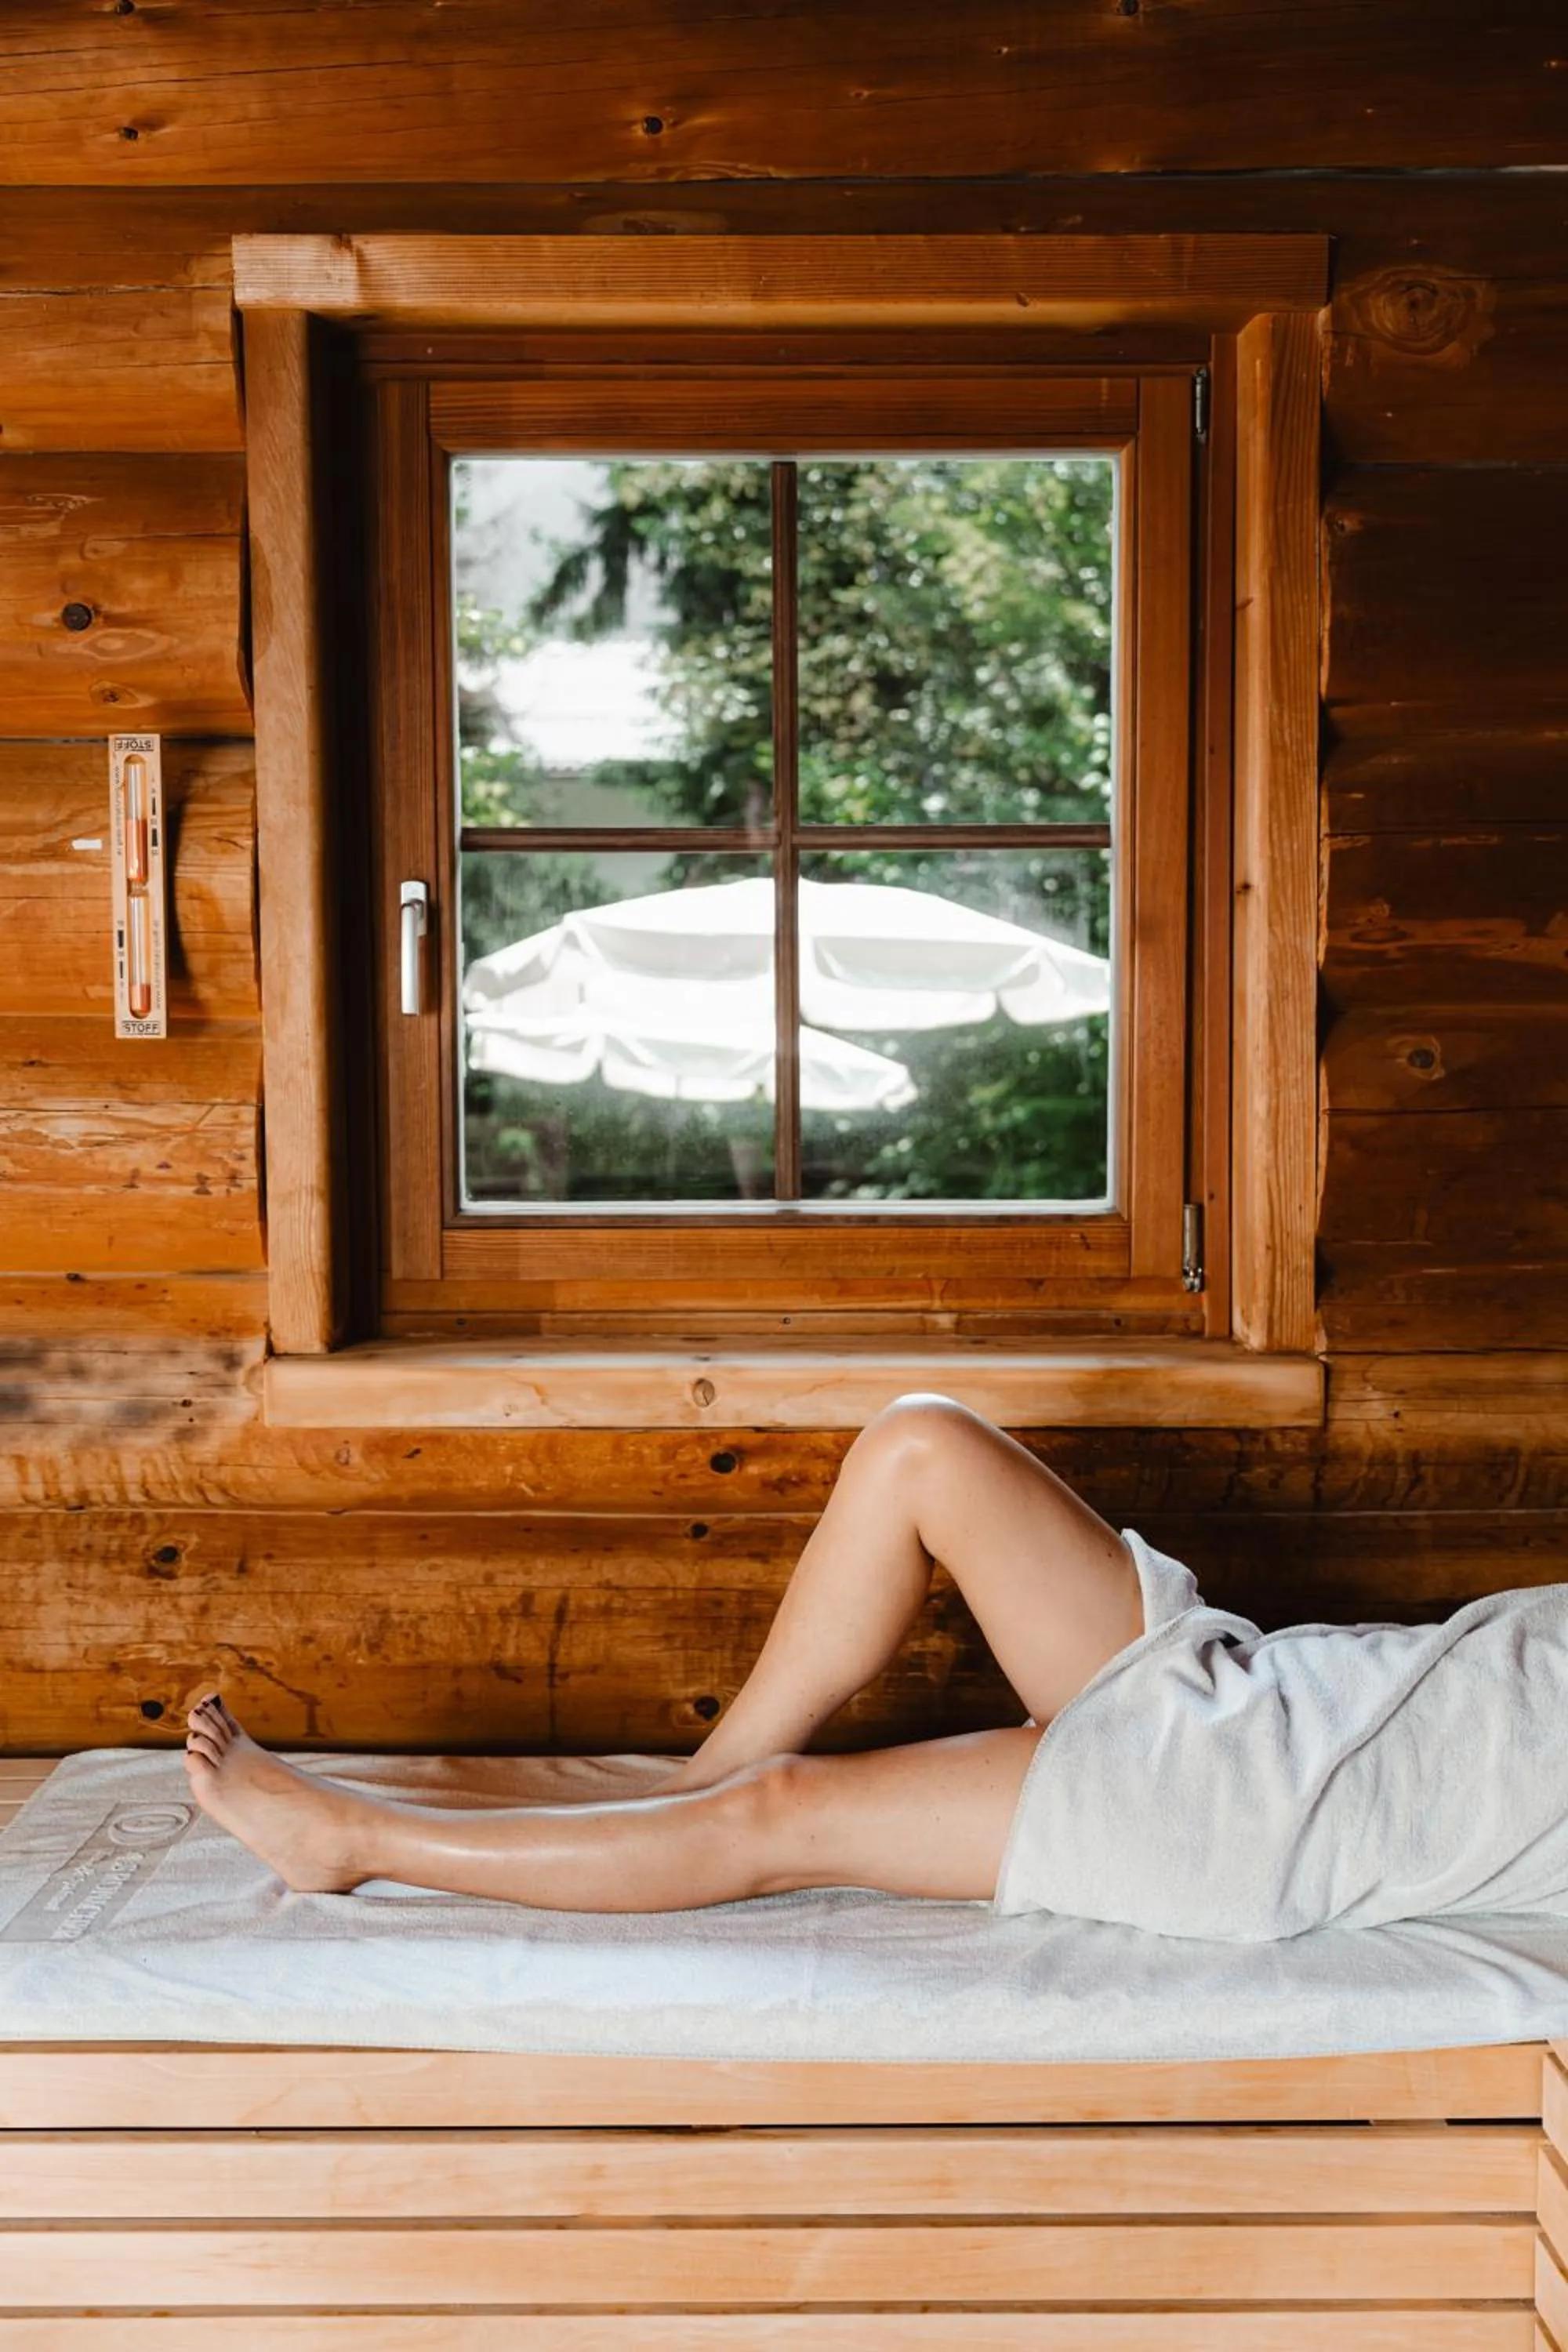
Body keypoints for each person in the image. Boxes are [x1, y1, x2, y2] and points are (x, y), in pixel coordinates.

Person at [184, 1394, 1568, 1940]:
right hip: (1265, 1690)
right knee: (923, 1447)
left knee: (783, 1823)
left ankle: (349, 1842)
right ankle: (692, 1790)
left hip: (1254, 1822)